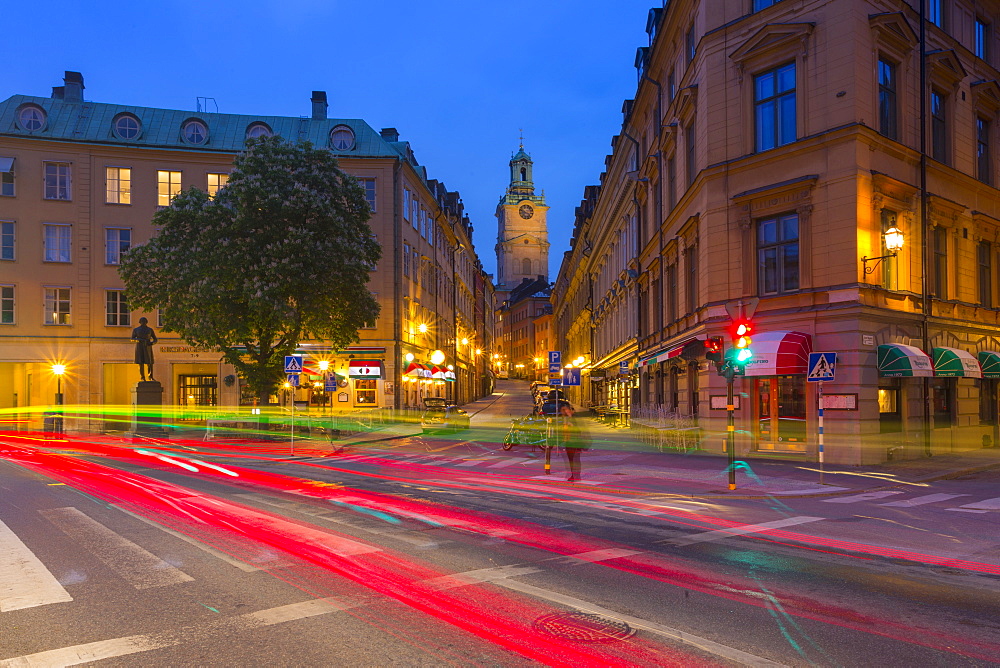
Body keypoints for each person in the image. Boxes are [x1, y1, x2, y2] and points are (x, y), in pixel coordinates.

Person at [559, 404, 591, 482]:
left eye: (566, 410)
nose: (566, 412)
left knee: (575, 459)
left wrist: (572, 426)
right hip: (569, 441)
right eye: (564, 410)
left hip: (576, 441)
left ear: (571, 409)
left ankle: (576, 476)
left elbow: (581, 429)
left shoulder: (576, 417)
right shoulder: (566, 418)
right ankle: (573, 475)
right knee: (571, 459)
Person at [130, 317, 158, 381]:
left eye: (144, 321)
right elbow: (132, 339)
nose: (143, 322)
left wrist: (152, 343)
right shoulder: (136, 330)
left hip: (147, 346)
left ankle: (150, 376)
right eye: (142, 321)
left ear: (146, 322)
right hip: (139, 347)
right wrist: (138, 340)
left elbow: (155, 339)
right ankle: (142, 377)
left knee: (149, 362)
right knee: (140, 362)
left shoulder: (150, 330)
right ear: (140, 322)